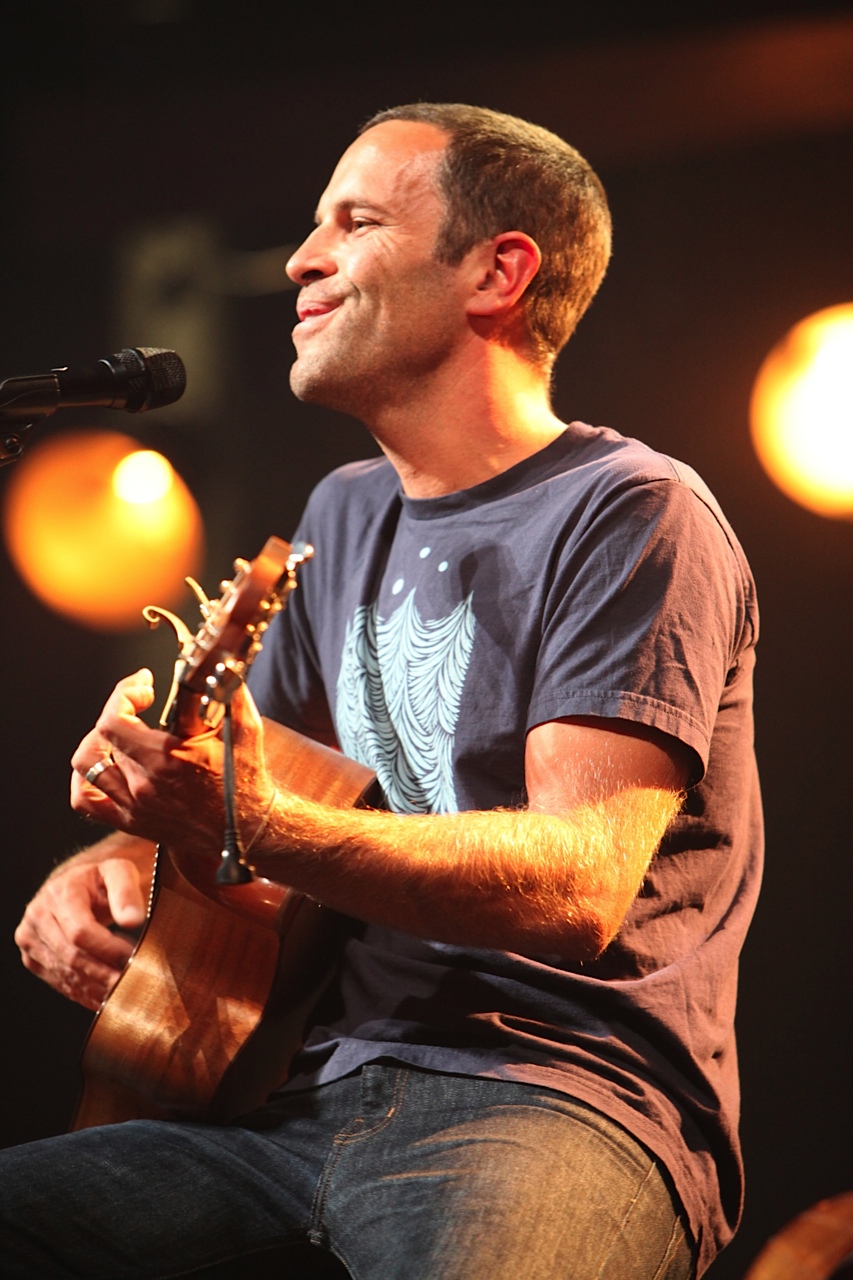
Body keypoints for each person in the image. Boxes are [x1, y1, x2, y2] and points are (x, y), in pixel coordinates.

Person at [3, 103, 762, 1279]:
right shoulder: (342, 511)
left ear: (497, 272)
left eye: (353, 223)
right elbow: (254, 811)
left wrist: (251, 821)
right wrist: (105, 865)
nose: (301, 259)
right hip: (301, 1096)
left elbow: (577, 882)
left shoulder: (631, 508)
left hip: (563, 1093)